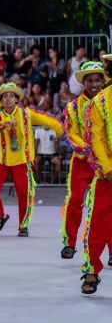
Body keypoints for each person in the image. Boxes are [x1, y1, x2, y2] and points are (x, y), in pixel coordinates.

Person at [0, 82, 63, 237]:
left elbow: (45, 119)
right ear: (1, 101)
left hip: (22, 162)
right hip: (3, 161)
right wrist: (4, 125)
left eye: (12, 96)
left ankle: (23, 225)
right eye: (5, 97)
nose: (8, 99)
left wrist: (59, 129)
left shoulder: (26, 114)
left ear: (17, 99)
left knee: (24, 194)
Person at [59, 61, 107, 259]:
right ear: (83, 82)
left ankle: (111, 250)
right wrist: (86, 148)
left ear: (103, 81)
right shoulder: (73, 107)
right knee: (75, 200)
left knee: (105, 206)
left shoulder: (108, 103)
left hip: (105, 163)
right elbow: (71, 133)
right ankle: (70, 242)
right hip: (81, 161)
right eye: (90, 80)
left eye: (97, 80)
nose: (94, 84)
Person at [80, 54, 112, 294]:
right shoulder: (99, 103)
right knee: (98, 222)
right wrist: (108, 169)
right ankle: (91, 269)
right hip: (108, 174)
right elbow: (96, 139)